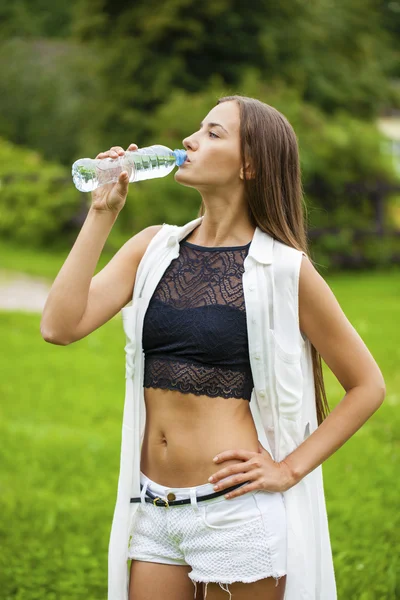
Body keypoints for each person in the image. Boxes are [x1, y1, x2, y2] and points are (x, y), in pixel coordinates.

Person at [41, 96, 386, 600]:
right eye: (198, 129)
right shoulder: (153, 248)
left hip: (235, 515)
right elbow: (59, 325)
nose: (189, 140)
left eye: (213, 133)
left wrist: (288, 469)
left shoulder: (286, 270)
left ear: (250, 165)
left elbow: (367, 385)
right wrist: (101, 214)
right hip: (155, 510)